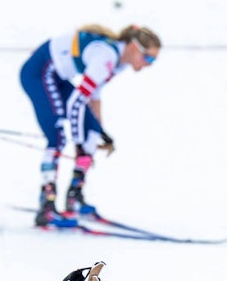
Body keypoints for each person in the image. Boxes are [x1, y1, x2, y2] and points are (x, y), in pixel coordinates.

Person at [19, 24, 161, 226]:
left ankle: (74, 197)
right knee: (57, 136)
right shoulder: (107, 57)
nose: (149, 64)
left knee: (91, 132)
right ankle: (47, 205)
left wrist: (97, 131)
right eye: (148, 58)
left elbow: (94, 94)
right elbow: (76, 103)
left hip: (58, 77)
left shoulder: (119, 62)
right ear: (133, 47)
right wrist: (79, 144)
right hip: (39, 73)